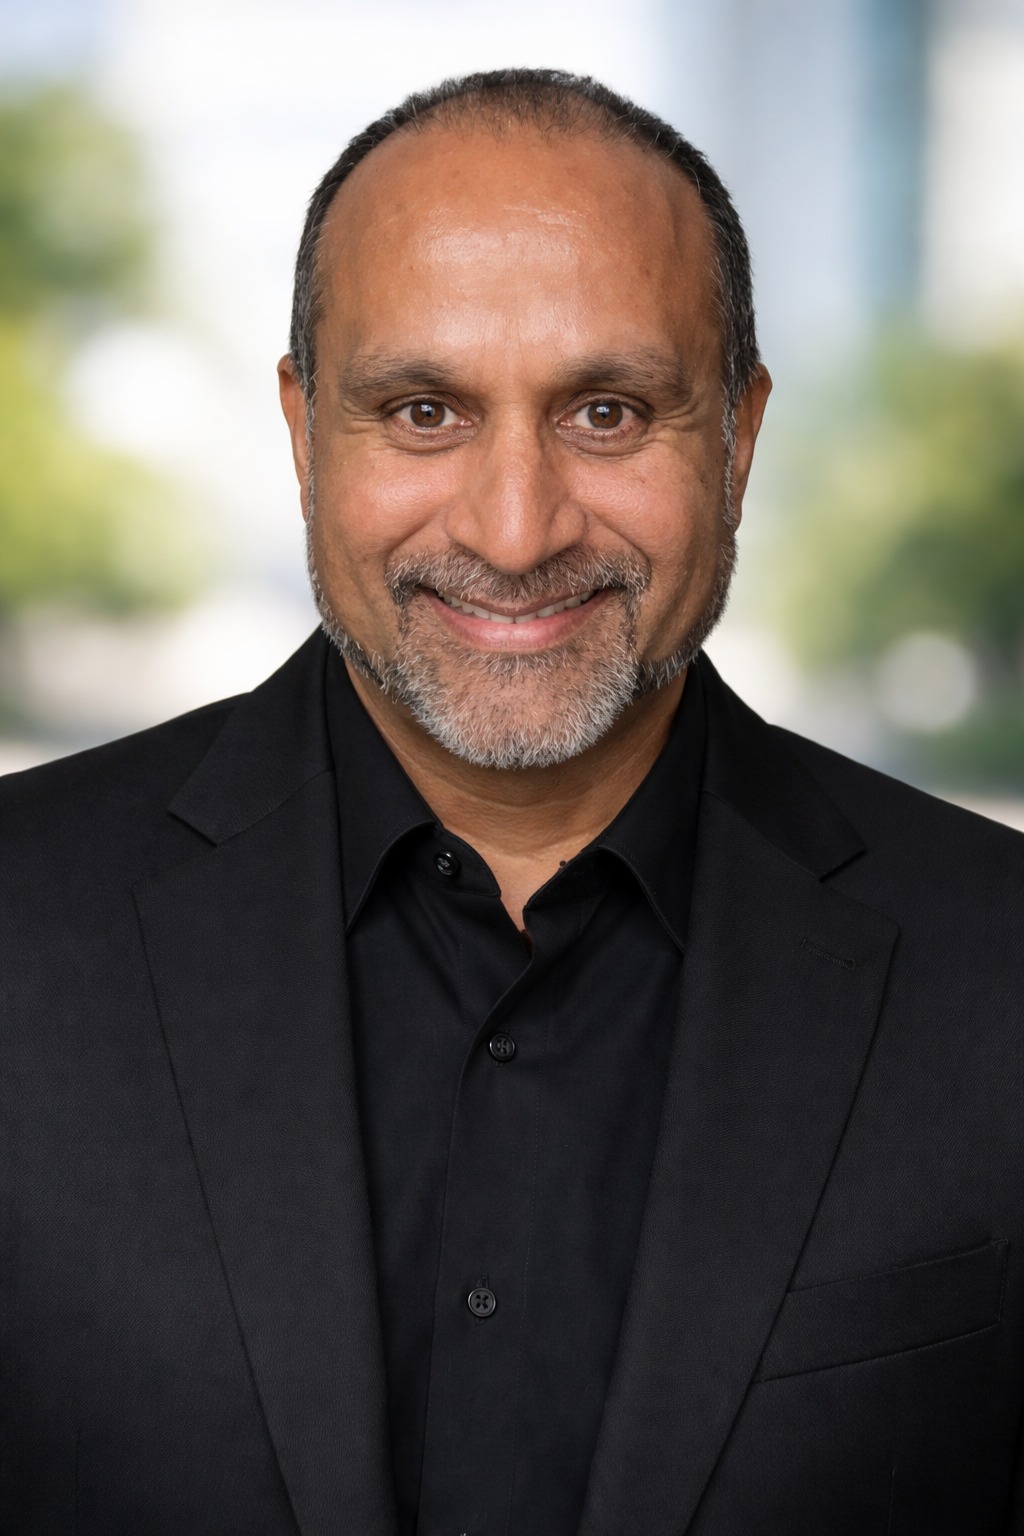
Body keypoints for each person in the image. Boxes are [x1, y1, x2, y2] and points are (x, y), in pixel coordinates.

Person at [0, 67, 1021, 1536]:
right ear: (303, 430)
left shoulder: (1000, 968)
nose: (516, 527)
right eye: (423, 411)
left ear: (738, 437)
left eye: (609, 411)